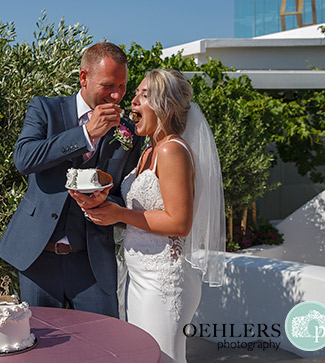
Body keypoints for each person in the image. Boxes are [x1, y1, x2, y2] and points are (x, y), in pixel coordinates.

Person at [84, 69, 226, 363]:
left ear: (166, 104)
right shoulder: (149, 150)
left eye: (143, 95)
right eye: (135, 94)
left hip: (163, 281)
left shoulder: (173, 150)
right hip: (139, 275)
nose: (132, 101)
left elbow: (179, 223)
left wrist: (119, 214)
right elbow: (143, 211)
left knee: (164, 358)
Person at [0, 42, 145, 318]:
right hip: (38, 258)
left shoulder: (129, 132)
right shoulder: (45, 109)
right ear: (84, 78)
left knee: (103, 350)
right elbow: (24, 158)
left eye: (122, 86)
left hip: (92, 262)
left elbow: (127, 192)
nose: (116, 95)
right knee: (41, 351)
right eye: (108, 85)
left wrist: (105, 201)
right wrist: (85, 134)